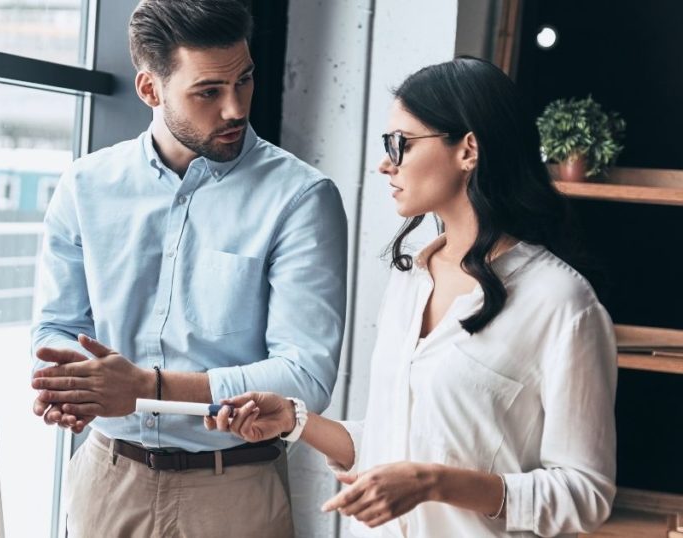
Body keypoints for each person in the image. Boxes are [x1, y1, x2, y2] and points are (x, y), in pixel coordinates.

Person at [210, 57, 617, 537]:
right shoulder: (411, 278)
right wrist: (294, 421)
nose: (385, 163)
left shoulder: (562, 303)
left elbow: (585, 494)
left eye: (399, 144)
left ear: (469, 149)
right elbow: (393, 444)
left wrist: (434, 482)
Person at [29, 0, 348, 536]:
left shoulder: (301, 198)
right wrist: (72, 385)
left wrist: (143, 386)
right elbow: (57, 325)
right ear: (150, 89)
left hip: (235, 491)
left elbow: (304, 377)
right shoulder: (84, 187)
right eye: (208, 92)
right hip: (107, 480)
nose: (235, 109)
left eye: (244, 81)